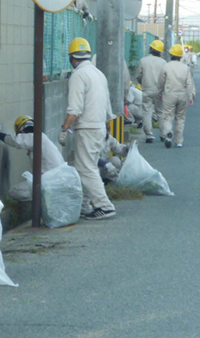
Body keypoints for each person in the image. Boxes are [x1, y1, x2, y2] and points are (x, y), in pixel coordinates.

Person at [58, 37, 117, 220]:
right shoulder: (98, 73)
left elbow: (75, 109)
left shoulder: (78, 75)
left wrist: (64, 128)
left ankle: (104, 206)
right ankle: (84, 205)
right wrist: (107, 127)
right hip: (98, 126)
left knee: (86, 169)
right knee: (85, 167)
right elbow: (107, 105)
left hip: (87, 128)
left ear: (72, 57)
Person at [0, 115, 65, 201]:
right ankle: (43, 201)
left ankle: (44, 198)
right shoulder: (41, 138)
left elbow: (15, 141)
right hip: (57, 180)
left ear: (22, 130)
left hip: (51, 182)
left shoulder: (36, 137)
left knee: (15, 191)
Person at [158, 44, 195, 148]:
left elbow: (161, 81)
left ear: (171, 54)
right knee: (180, 118)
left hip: (170, 94)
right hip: (182, 95)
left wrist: (160, 91)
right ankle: (178, 141)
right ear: (180, 56)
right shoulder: (185, 67)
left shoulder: (166, 66)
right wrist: (191, 96)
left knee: (167, 117)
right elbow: (189, 83)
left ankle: (168, 132)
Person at [136, 40, 167, 143]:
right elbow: (165, 77)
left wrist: (142, 83)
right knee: (160, 112)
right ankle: (163, 134)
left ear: (152, 49)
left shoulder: (143, 60)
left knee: (147, 112)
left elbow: (138, 75)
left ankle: (149, 135)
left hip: (147, 90)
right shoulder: (163, 62)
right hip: (159, 91)